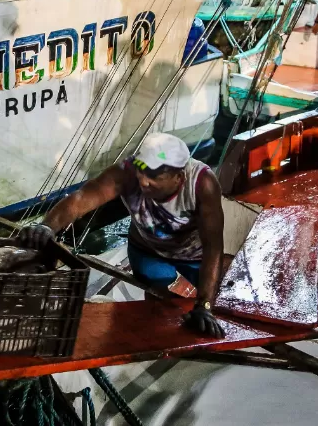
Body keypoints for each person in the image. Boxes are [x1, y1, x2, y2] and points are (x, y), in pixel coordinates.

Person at [17, 132, 228, 338]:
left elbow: (213, 246)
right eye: (141, 170)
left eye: (154, 176)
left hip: (194, 256)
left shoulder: (201, 184)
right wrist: (47, 226)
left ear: (178, 177)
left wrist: (205, 304)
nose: (143, 181)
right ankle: (157, 339)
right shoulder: (125, 173)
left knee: (222, 305)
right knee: (163, 307)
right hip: (148, 252)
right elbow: (80, 199)